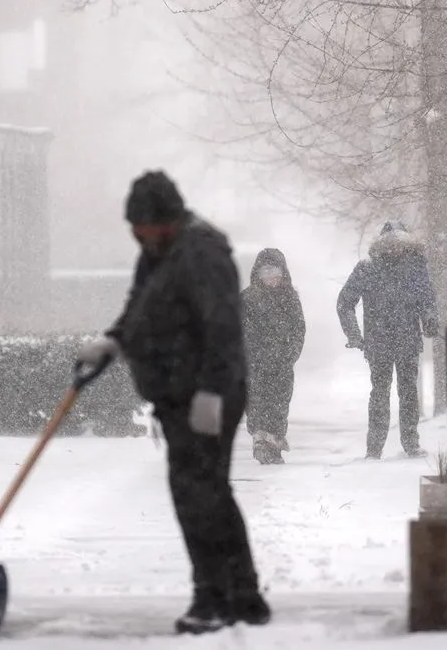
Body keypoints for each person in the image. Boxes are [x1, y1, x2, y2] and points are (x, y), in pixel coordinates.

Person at [75, 170, 271, 635]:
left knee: (199, 495)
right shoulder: (158, 253)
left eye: (140, 226)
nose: (136, 235)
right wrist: (113, 341)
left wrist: (212, 393)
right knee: (207, 493)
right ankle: (242, 596)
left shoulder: (202, 253)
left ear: (163, 219)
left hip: (204, 395)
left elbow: (223, 328)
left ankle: (214, 598)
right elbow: (139, 305)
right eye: (133, 228)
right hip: (175, 394)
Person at [336, 221, 438, 459]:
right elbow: (344, 303)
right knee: (381, 393)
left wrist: (430, 320)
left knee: (407, 392)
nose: (395, 249)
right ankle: (375, 448)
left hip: (406, 341)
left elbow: (427, 300)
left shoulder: (416, 268)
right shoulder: (367, 269)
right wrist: (353, 334)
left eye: (399, 244)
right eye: (391, 244)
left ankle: (410, 443)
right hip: (380, 343)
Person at [241, 248, 305, 465]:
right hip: (254, 364)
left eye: (274, 270)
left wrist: (291, 354)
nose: (270, 276)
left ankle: (274, 443)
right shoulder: (247, 298)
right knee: (256, 404)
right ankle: (260, 439)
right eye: (265, 271)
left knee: (279, 404)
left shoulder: (290, 298)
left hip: (281, 364)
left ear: (283, 272)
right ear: (257, 274)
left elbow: (299, 329)